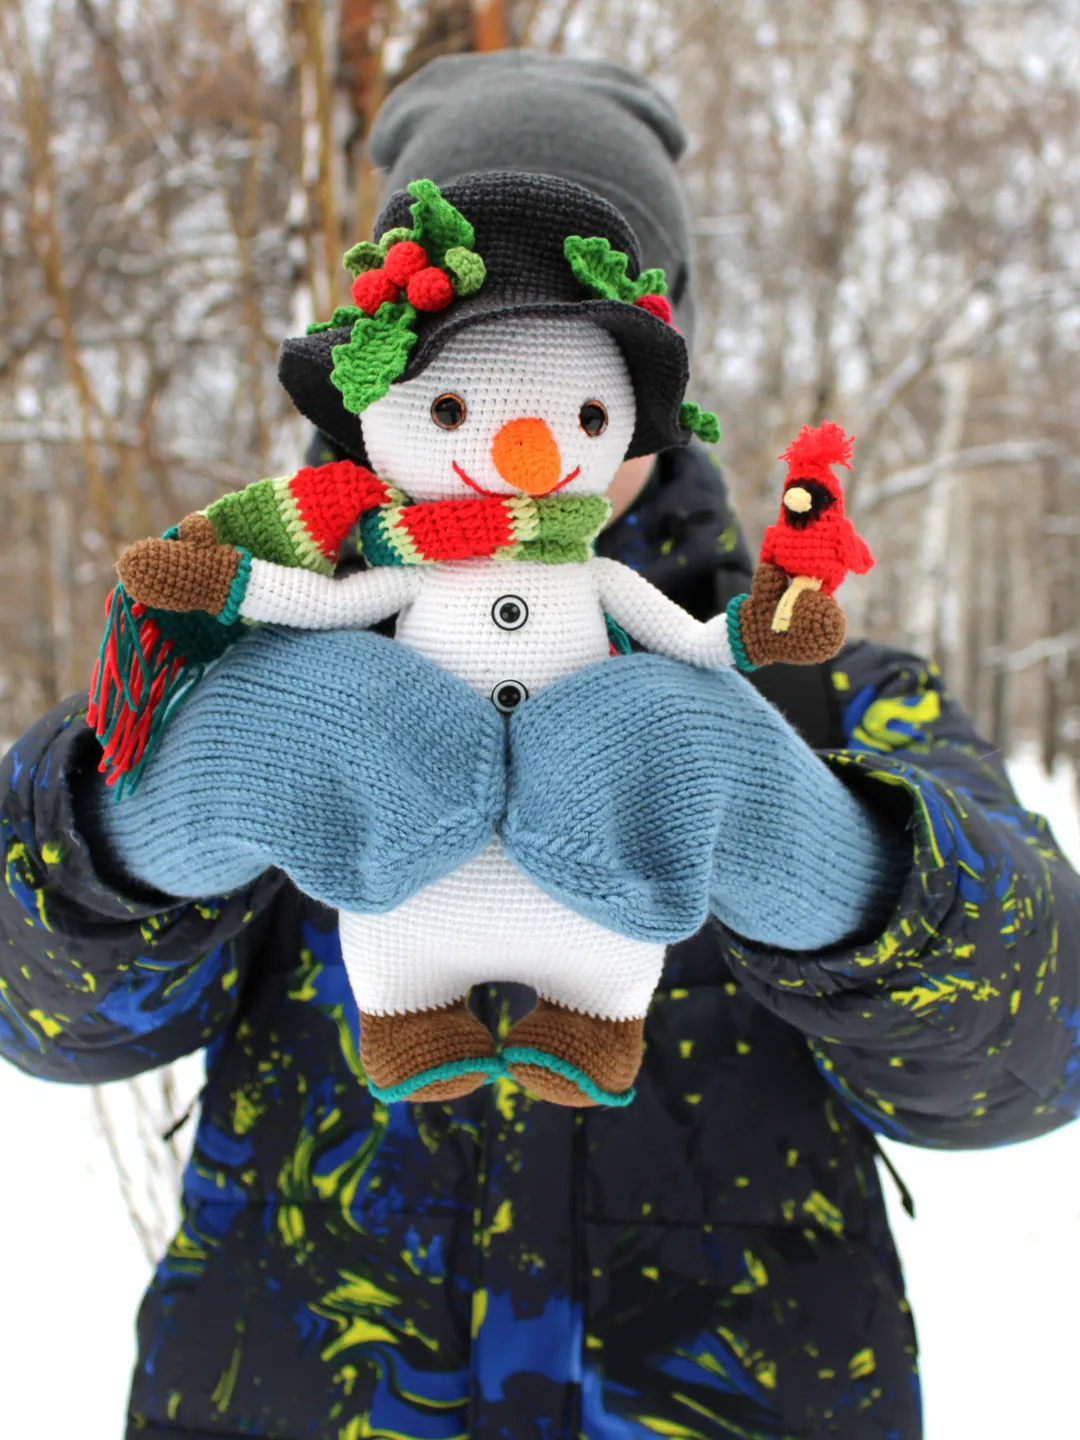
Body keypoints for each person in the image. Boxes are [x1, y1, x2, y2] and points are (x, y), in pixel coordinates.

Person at [1, 50, 1077, 1440]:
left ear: (652, 363)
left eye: (574, 325)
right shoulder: (259, 664)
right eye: (475, 332)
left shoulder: (831, 695)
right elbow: (41, 1012)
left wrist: (829, 861)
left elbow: (1035, 1056)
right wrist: (153, 812)